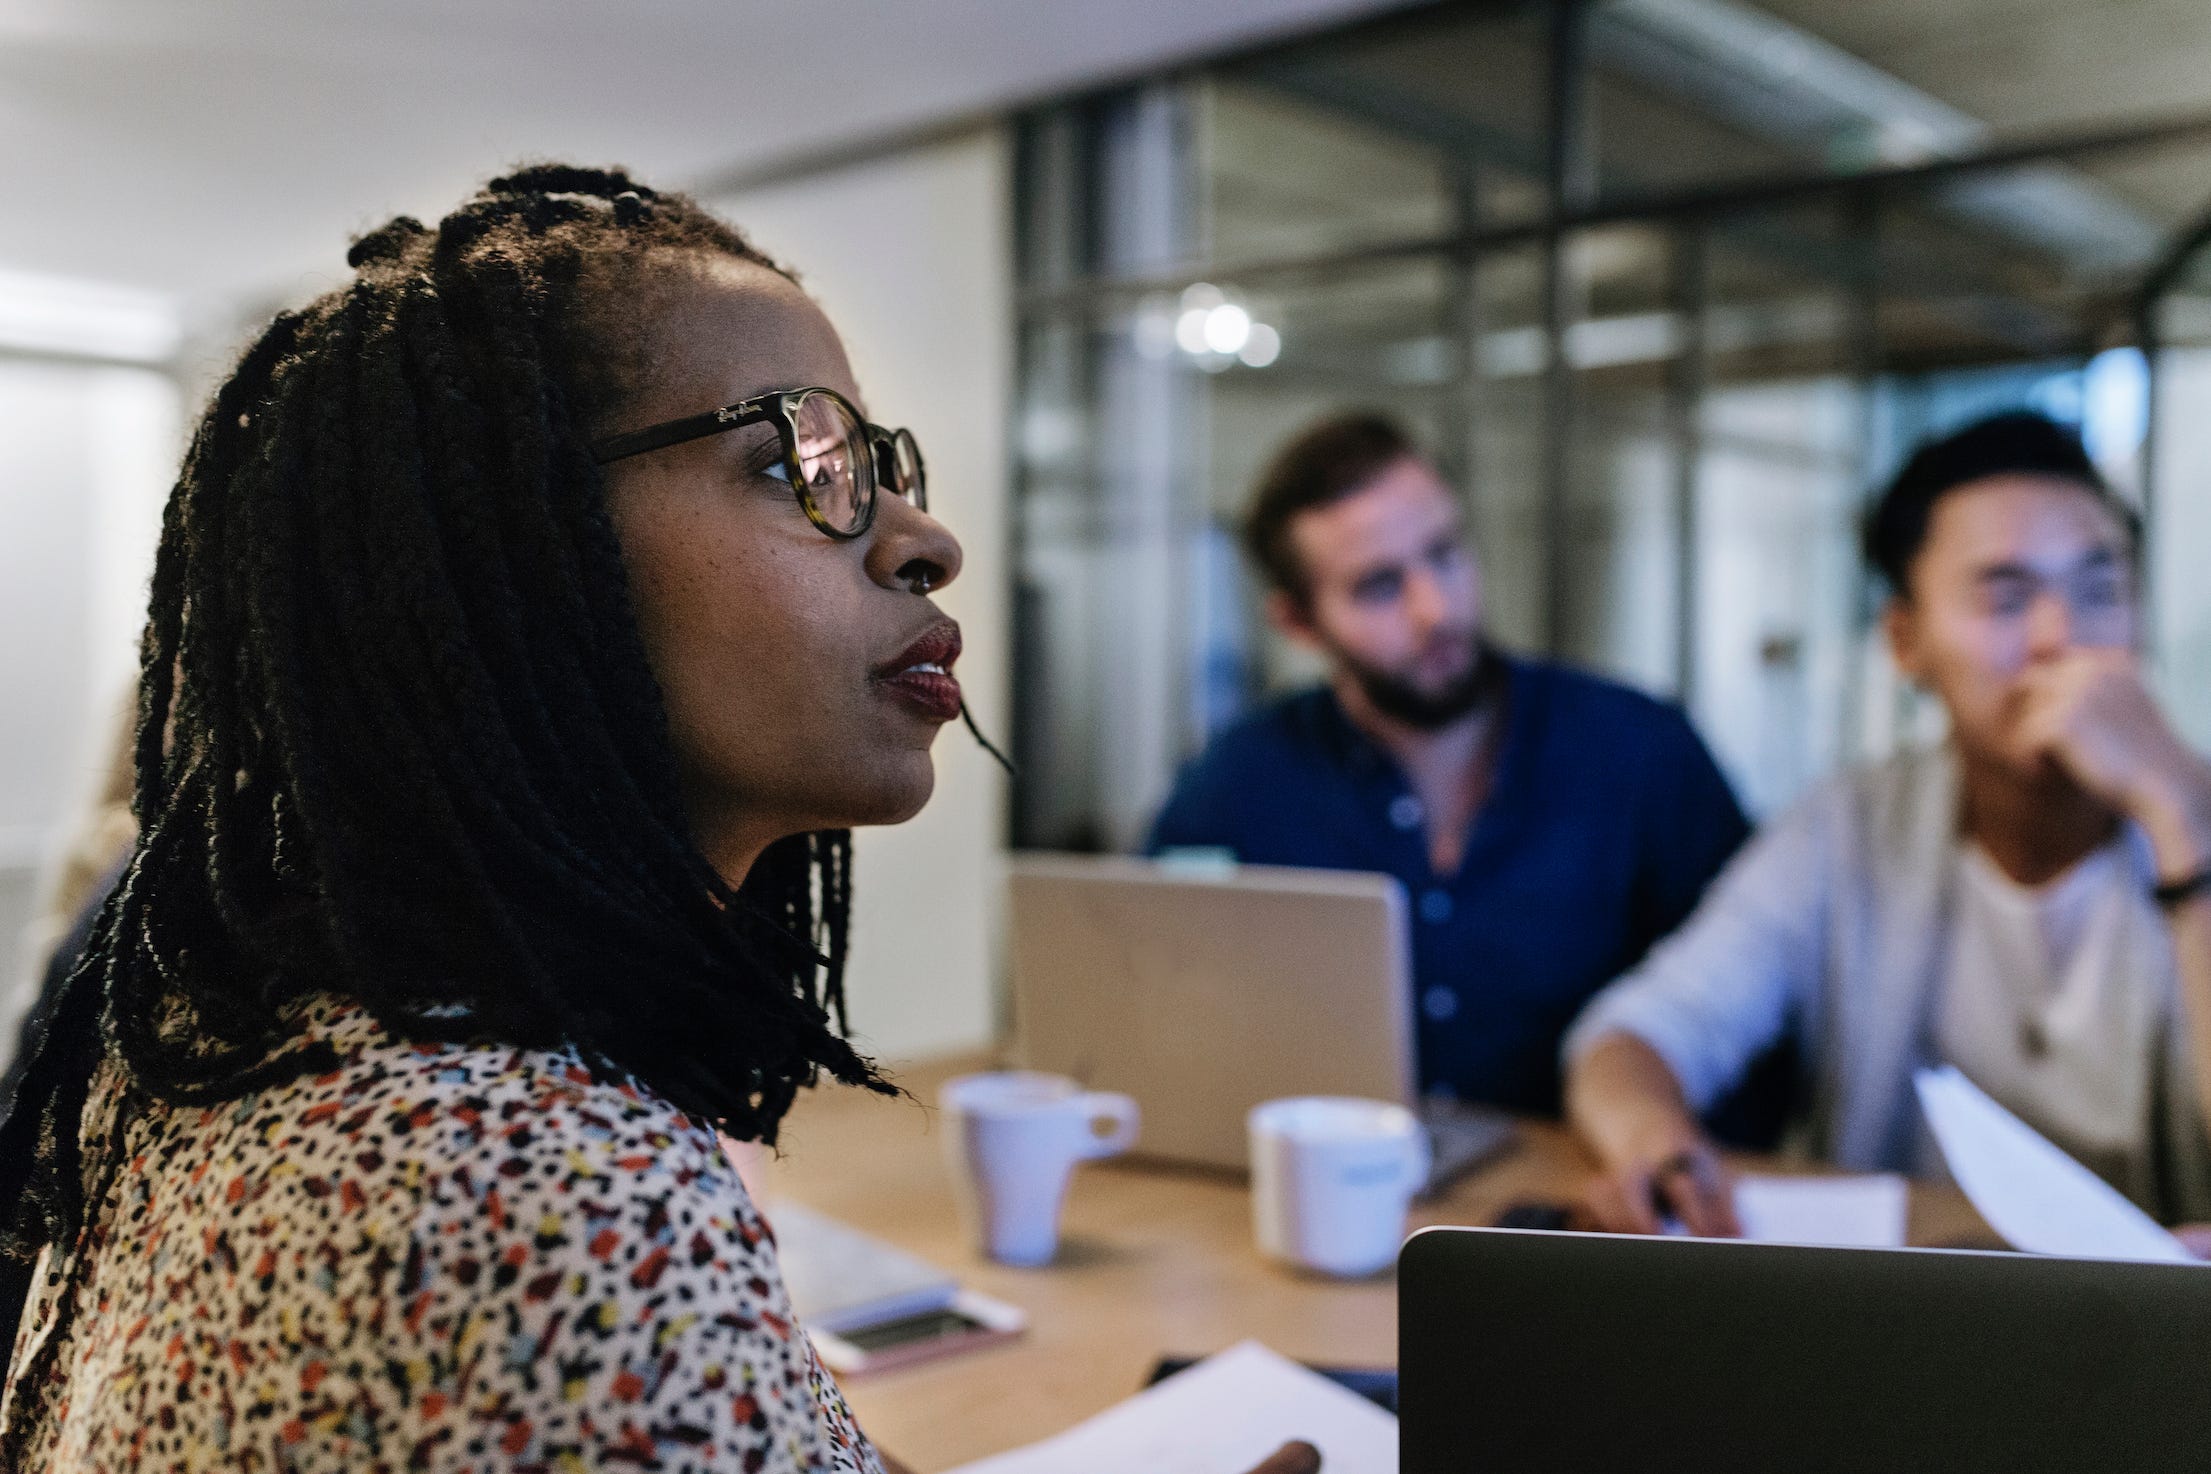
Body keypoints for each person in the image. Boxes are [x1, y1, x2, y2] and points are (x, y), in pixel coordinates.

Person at [0, 166, 1320, 1474]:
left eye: (879, 466)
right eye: (800, 461)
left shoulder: (276, 1023)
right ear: (515, 553)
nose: (922, 538)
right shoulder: (535, 1194)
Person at [1564, 411, 2211, 1236]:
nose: (2060, 639)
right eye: (2006, 599)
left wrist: (2181, 816)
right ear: (1905, 642)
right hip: (1901, 1315)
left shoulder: (2190, 808)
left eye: (2099, 592)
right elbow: (1639, 1031)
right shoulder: (1851, 825)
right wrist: (1654, 1145)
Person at [1149, 414, 1750, 1115]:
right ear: (1298, 624)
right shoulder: (1236, 784)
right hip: (1337, 1194)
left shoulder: (1640, 752)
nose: (1435, 608)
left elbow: (1749, 1032)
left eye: (1444, 553)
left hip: (1590, 1200)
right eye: (1378, 586)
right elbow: (1156, 1007)